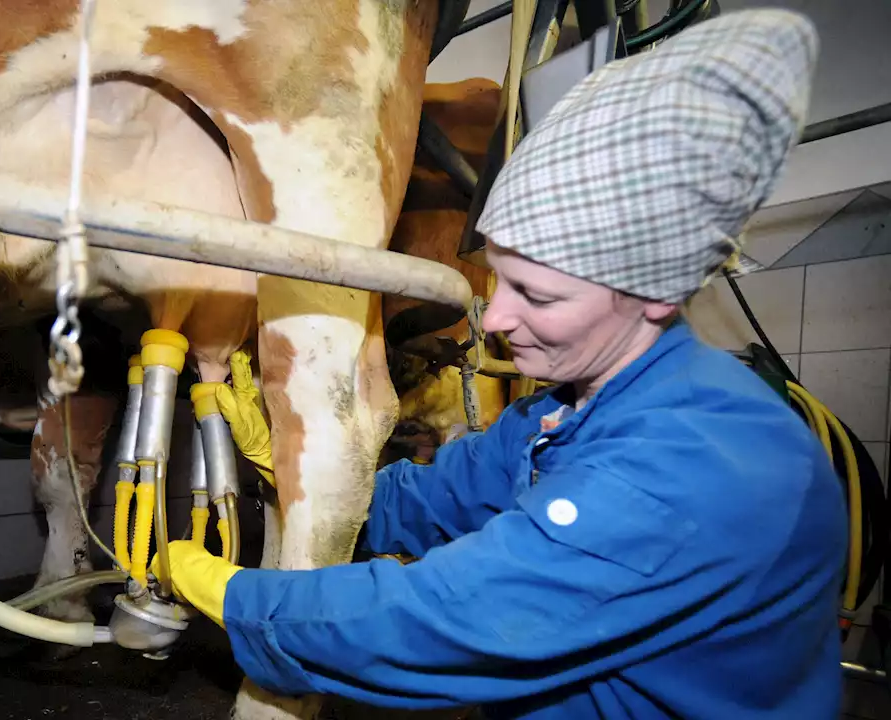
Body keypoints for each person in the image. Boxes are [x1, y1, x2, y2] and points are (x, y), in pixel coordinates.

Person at [156, 9, 848, 719]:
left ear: (656, 297)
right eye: (499, 280)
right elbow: (418, 504)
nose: (499, 320)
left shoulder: (703, 463)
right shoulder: (557, 414)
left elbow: (442, 622)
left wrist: (231, 594)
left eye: (539, 295)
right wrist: (290, 464)